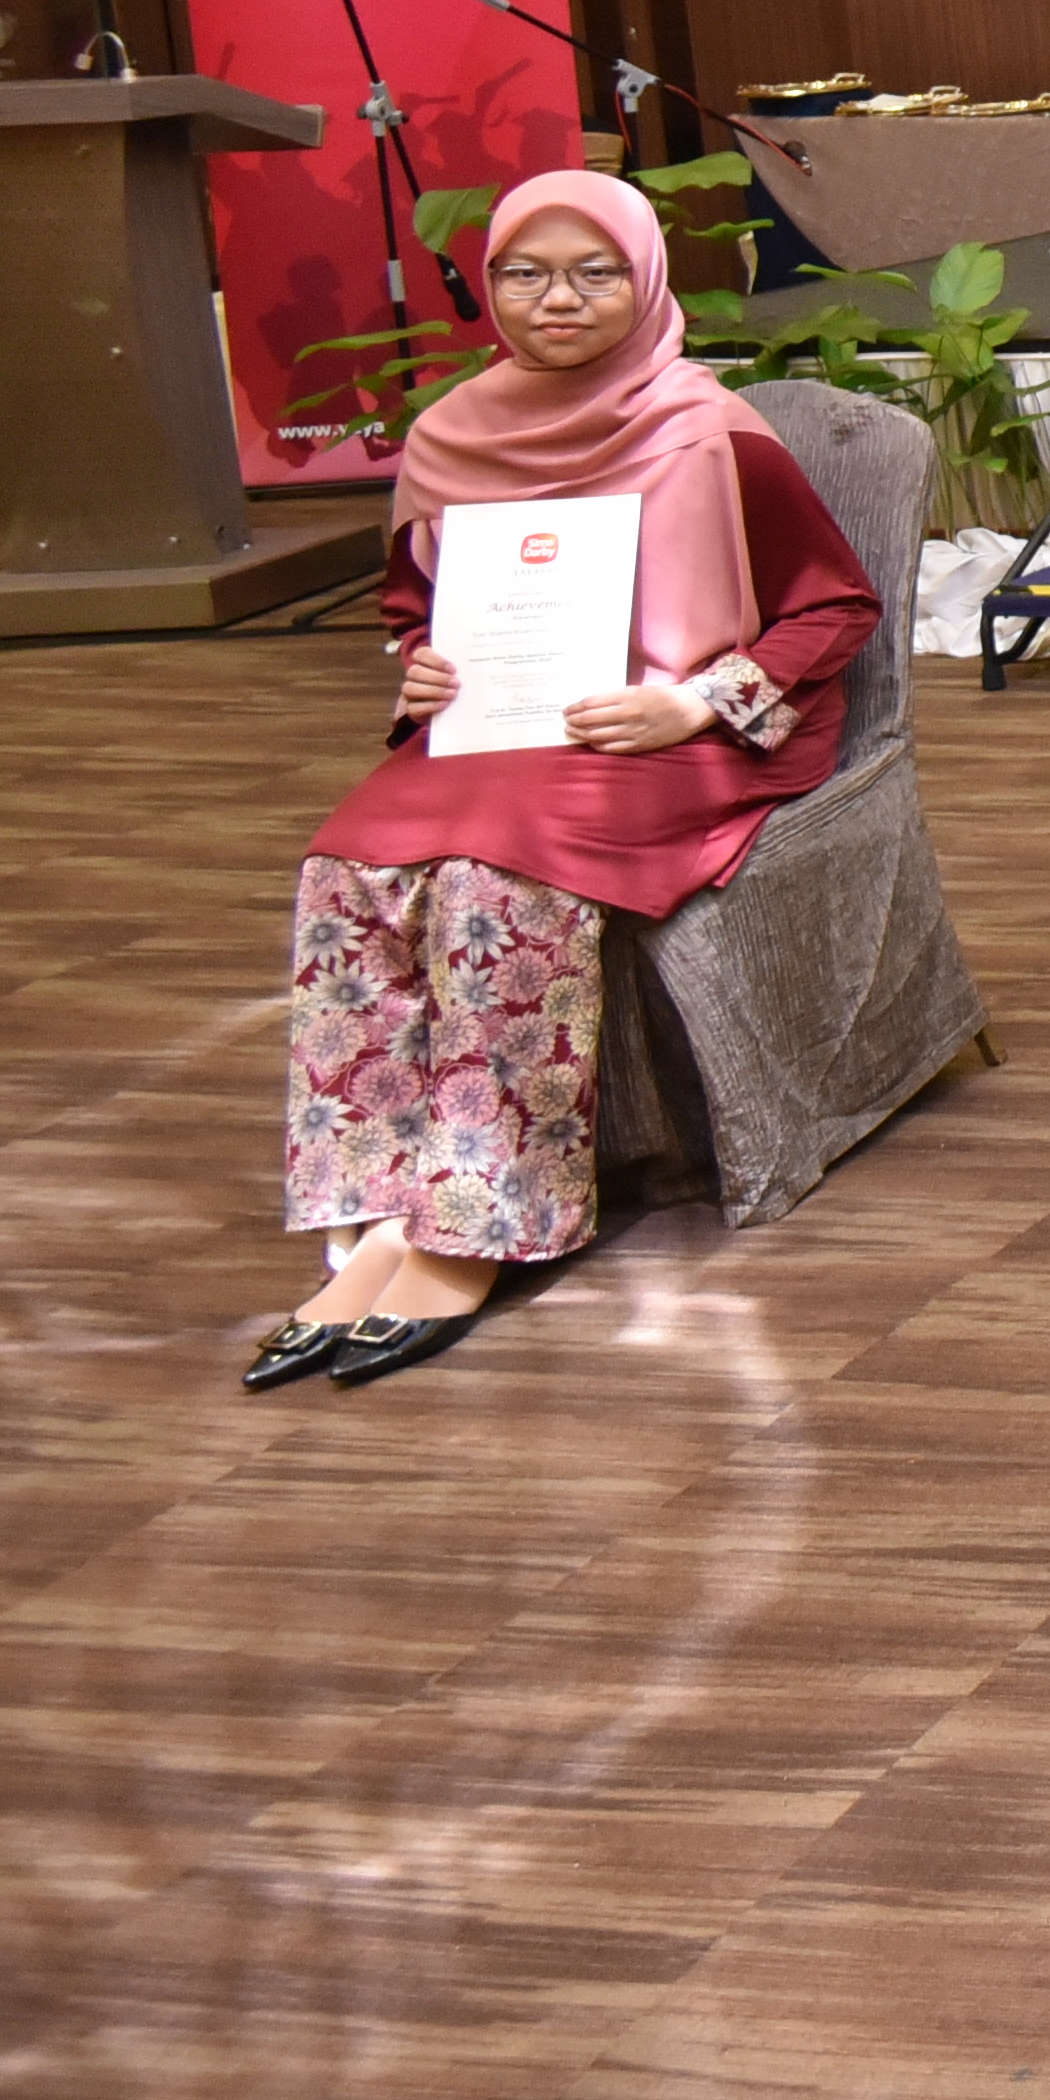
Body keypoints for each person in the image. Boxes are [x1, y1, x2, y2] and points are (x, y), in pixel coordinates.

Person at [250, 170, 883, 1388]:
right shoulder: (449, 436)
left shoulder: (707, 430)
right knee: (350, 869)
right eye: (525, 272)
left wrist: (689, 698)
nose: (559, 298)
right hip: (504, 731)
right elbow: (410, 603)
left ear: (643, 278)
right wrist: (423, 666)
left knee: (499, 881)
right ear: (486, 286)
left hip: (669, 733)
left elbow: (834, 606)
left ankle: (479, 1227)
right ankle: (376, 1219)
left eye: (595, 270)